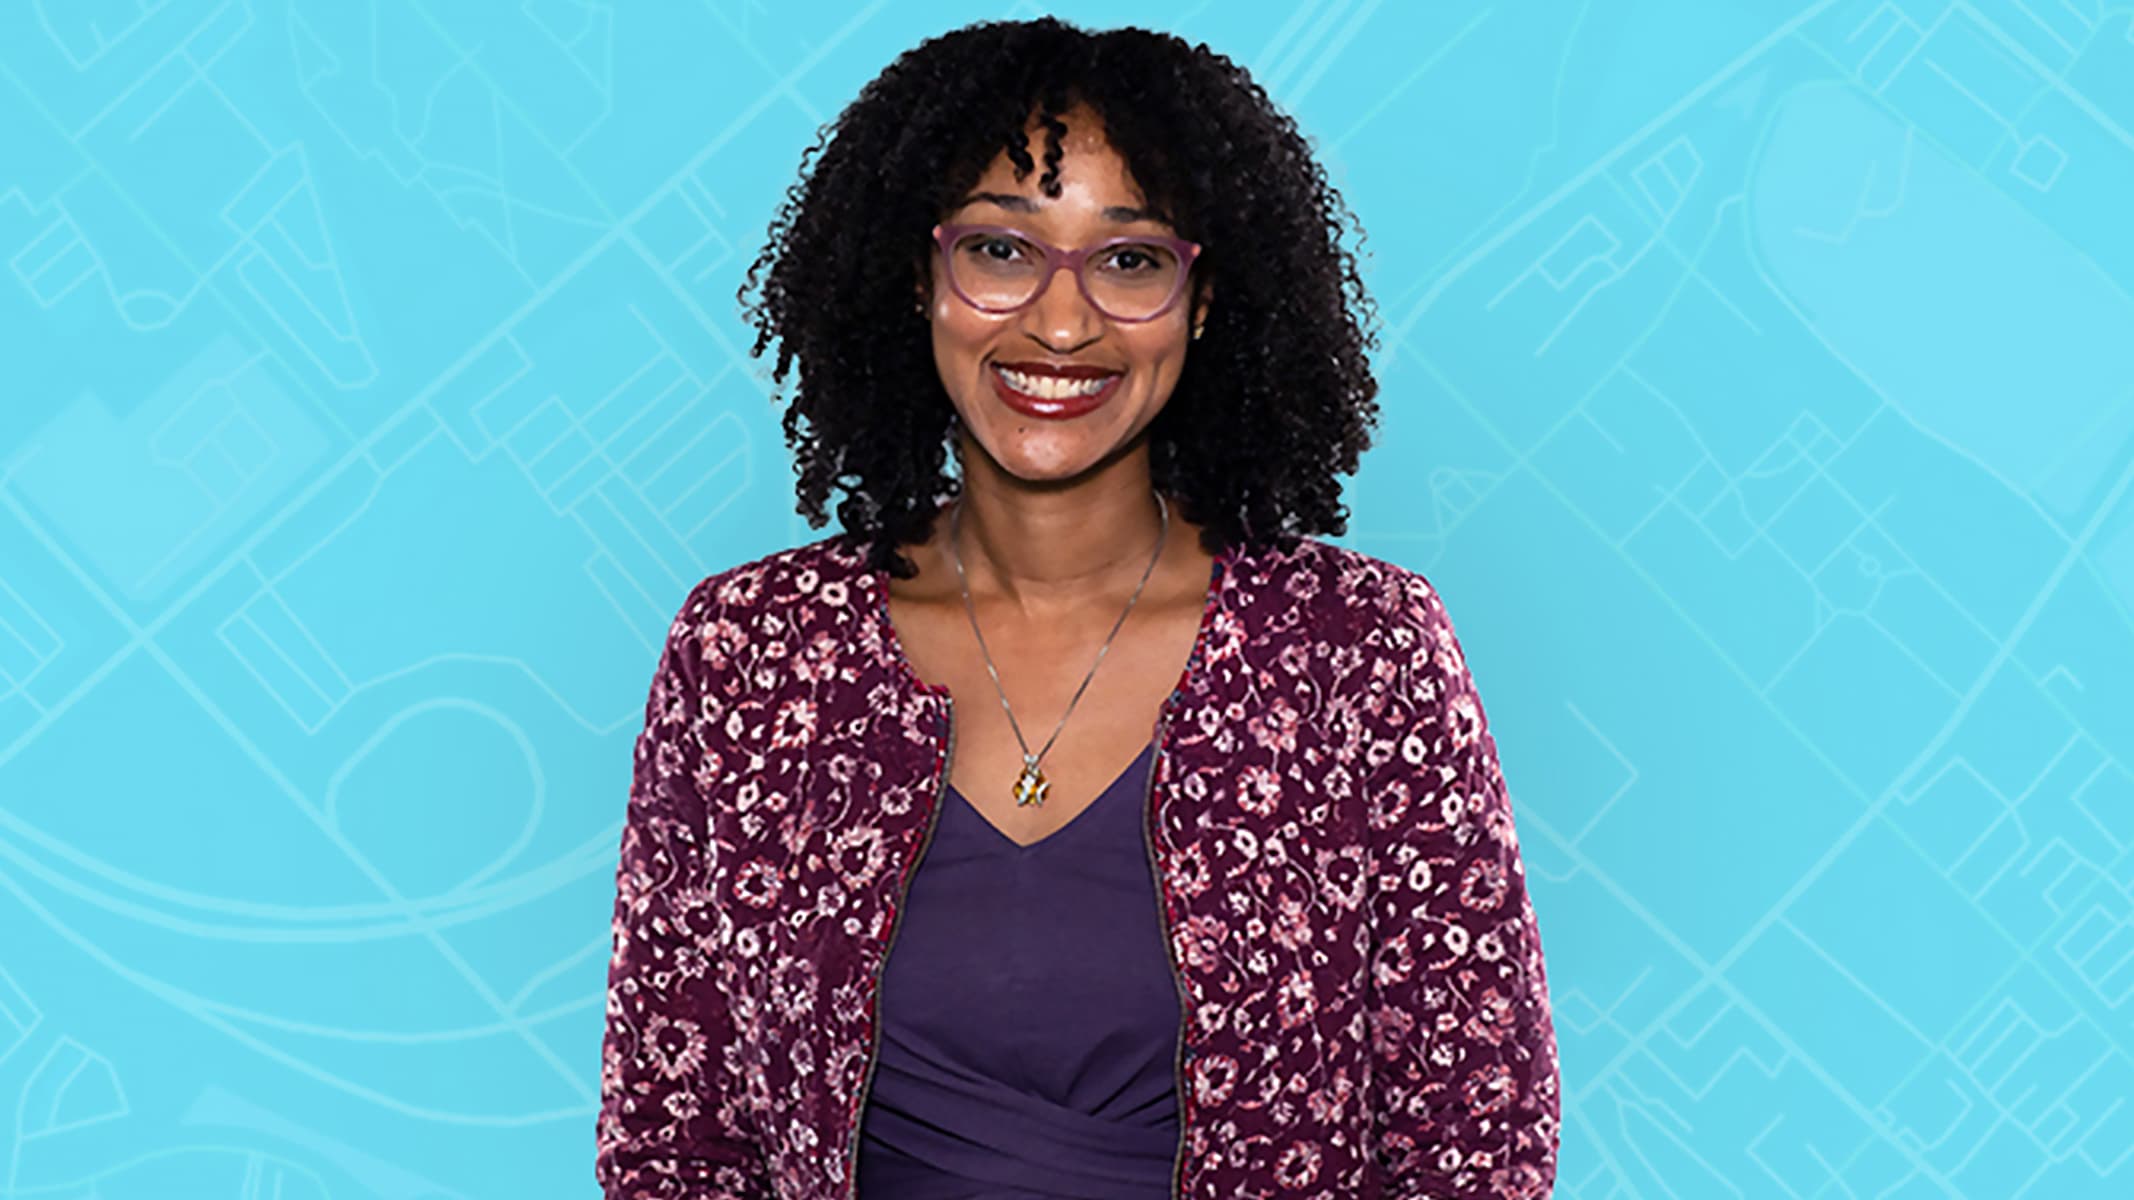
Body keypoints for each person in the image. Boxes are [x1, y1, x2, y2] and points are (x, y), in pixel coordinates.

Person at [596, 16, 1560, 1199]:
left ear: (1205, 301)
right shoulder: (749, 654)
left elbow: (1476, 1140)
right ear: (917, 279)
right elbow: (675, 1138)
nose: (1061, 323)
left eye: (1130, 258)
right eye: (1000, 251)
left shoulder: (1358, 651)